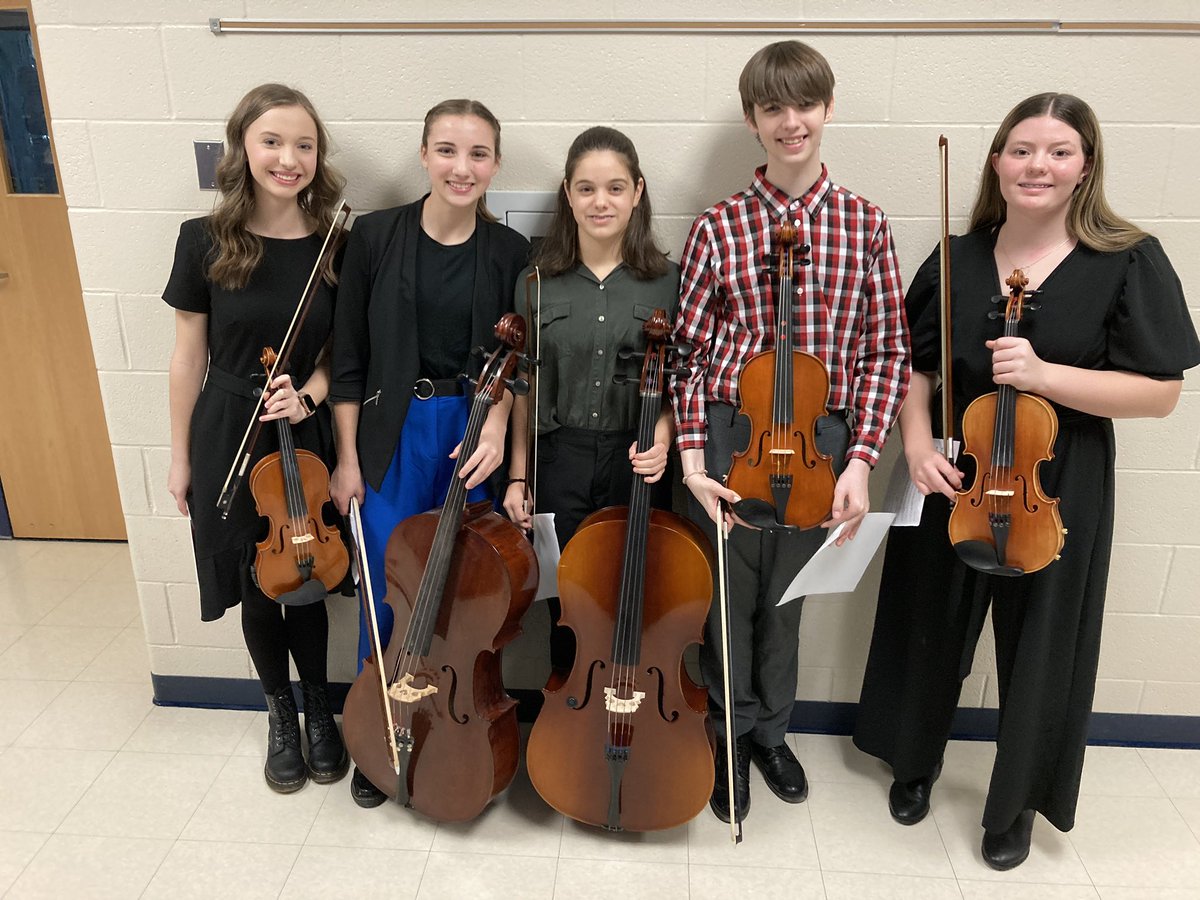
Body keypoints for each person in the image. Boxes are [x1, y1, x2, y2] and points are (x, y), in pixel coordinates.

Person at [853, 92, 1200, 870]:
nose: (1036, 165)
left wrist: (1046, 374)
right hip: (956, 461)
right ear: (997, 163)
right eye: (1020, 149)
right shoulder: (958, 256)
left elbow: (1161, 392)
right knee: (928, 617)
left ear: (1085, 166)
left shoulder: (1126, 259)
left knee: (1046, 639)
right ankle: (914, 764)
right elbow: (915, 366)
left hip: (1057, 473)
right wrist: (913, 444)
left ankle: (1014, 806)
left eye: (1058, 151)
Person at [670, 41, 909, 823]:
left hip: (824, 444)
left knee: (786, 603)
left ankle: (772, 733)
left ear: (826, 108)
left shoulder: (865, 225)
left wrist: (862, 461)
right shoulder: (719, 226)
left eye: (803, 104)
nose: (790, 121)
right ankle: (726, 732)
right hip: (732, 438)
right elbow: (690, 353)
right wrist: (695, 458)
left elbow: (884, 352)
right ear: (753, 120)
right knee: (725, 603)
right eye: (772, 107)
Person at [329, 98, 529, 808]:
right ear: (423, 155)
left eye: (478, 154)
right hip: (390, 435)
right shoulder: (377, 238)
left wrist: (499, 431)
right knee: (388, 589)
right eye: (447, 150)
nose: (462, 167)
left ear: (496, 164)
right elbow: (348, 359)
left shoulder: (511, 253)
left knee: (462, 597)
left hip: (470, 433)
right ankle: (375, 731)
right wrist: (347, 458)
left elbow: (520, 366)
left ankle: (448, 727)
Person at [165, 83, 348, 793]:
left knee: (305, 575)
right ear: (243, 144)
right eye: (273, 140)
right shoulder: (204, 240)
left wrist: (307, 395)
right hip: (228, 427)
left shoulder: (339, 242)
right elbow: (187, 355)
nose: (289, 158)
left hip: (302, 429)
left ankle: (319, 713)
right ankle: (280, 712)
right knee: (257, 576)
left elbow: (341, 352)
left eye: (304, 144)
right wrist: (180, 457)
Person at [502, 126, 677, 672]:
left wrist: (664, 439)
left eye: (615, 188)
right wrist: (517, 476)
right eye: (586, 188)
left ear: (638, 192)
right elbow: (523, 391)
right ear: (567, 193)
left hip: (636, 461)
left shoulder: (668, 282)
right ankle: (566, 728)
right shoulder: (535, 283)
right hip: (559, 461)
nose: (600, 202)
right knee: (565, 607)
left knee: (632, 603)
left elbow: (679, 380)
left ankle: (626, 722)